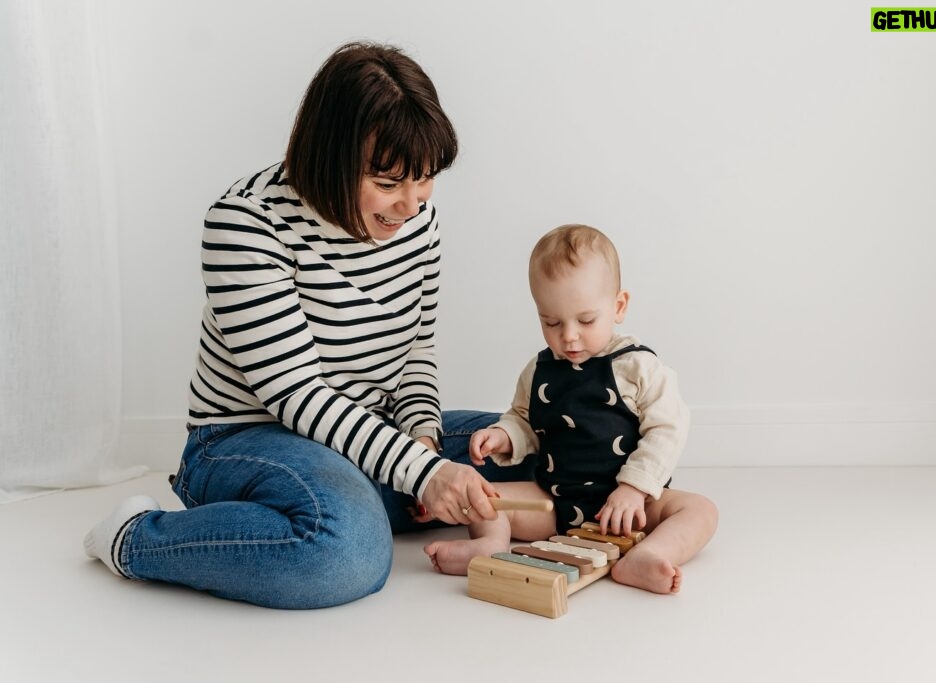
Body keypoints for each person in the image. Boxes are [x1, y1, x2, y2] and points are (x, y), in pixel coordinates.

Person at [83, 42, 534, 609]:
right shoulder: (245, 224)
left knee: (553, 439)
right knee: (348, 552)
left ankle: (346, 501)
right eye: (389, 183)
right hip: (245, 438)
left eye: (425, 181)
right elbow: (294, 394)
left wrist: (421, 439)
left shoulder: (418, 220)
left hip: (367, 429)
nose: (410, 205)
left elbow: (416, 345)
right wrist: (421, 474)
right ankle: (138, 540)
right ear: (332, 155)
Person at [424, 224, 718, 594]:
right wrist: (502, 436)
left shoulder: (638, 368)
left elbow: (668, 428)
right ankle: (489, 546)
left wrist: (632, 489)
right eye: (552, 322)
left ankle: (650, 554)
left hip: (633, 507)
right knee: (491, 502)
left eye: (586, 320)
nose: (569, 336)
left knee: (700, 511)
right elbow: (524, 420)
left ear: (619, 306)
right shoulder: (539, 371)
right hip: (556, 501)